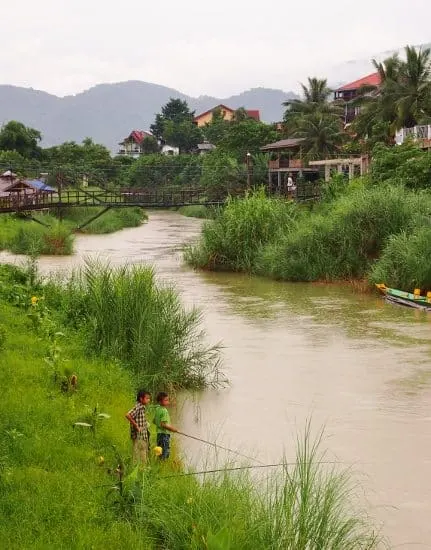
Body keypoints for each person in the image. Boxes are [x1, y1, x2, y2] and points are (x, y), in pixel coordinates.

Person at [125, 389, 151, 465]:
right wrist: (136, 425)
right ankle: (139, 469)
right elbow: (128, 415)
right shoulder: (138, 407)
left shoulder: (142, 407)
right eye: (147, 398)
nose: (148, 400)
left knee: (143, 451)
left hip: (143, 435)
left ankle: (142, 469)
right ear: (141, 399)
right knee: (138, 453)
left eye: (149, 398)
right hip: (138, 436)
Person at [154, 392, 178, 459]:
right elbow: (163, 424)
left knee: (159, 450)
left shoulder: (157, 409)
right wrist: (172, 429)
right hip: (164, 434)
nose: (168, 402)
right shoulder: (164, 411)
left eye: (168, 400)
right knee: (165, 451)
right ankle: (163, 463)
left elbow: (154, 421)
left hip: (159, 434)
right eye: (166, 400)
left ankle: (158, 463)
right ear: (160, 401)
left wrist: (159, 424)